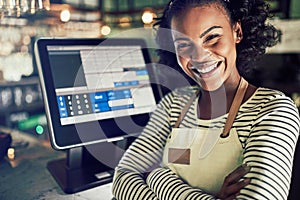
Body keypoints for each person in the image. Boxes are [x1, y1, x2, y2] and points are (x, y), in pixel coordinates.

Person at [112, 0, 300, 199]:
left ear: (237, 32)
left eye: (211, 37)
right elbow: (123, 179)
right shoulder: (173, 104)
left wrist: (157, 176)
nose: (199, 56)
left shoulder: (273, 110)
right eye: (183, 45)